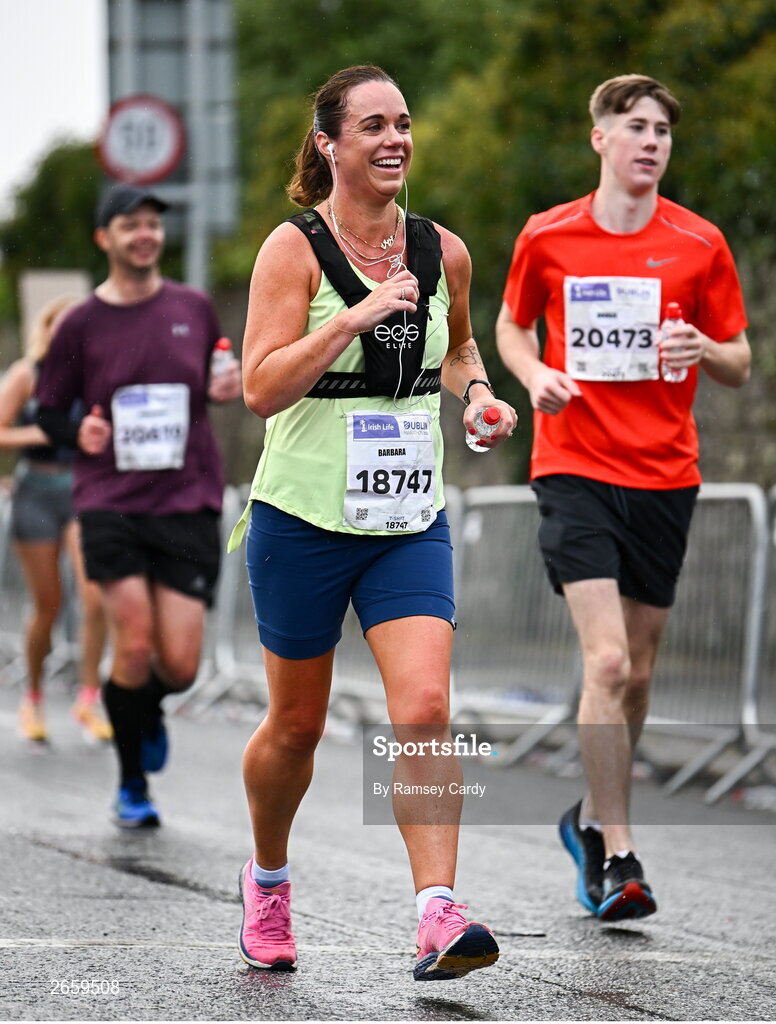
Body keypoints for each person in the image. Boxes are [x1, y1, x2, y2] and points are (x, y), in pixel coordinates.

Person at [232, 65, 516, 979]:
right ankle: (268, 878)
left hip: (405, 520)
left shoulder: (443, 252)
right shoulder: (293, 249)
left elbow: (461, 346)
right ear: (329, 144)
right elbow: (260, 389)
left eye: (402, 124)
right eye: (371, 127)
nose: (394, 140)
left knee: (427, 708)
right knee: (295, 728)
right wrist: (348, 320)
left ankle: (437, 913)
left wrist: (478, 398)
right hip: (303, 517)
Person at [496, 74, 750, 922]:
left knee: (636, 673)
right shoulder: (548, 235)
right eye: (633, 126)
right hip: (573, 465)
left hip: (665, 474)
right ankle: (621, 849)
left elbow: (741, 359)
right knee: (605, 661)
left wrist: (702, 345)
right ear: (598, 138)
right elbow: (510, 325)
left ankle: (588, 825)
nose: (650, 142)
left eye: (661, 132)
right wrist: (535, 377)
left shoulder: (698, 244)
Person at [35, 183, 242, 827]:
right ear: (106, 238)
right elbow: (48, 409)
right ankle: (131, 786)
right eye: (131, 226)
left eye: (153, 224)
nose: (145, 235)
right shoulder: (80, 323)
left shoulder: (193, 306)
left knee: (178, 664)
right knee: (134, 643)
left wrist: (224, 384)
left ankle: (144, 708)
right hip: (110, 503)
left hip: (186, 499)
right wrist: (79, 433)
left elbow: (215, 377)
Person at [0, 296, 109, 744]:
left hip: (82, 491)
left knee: (96, 597)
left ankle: (87, 698)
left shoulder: (97, 375)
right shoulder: (28, 373)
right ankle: (34, 695)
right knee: (48, 605)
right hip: (36, 493)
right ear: (47, 329)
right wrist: (46, 431)